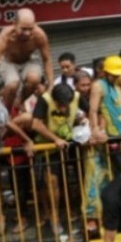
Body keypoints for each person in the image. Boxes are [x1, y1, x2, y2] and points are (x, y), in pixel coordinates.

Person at [31, 83, 88, 233]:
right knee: (52, 182)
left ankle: (81, 211)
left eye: (66, 105)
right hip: (48, 146)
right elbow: (36, 124)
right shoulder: (44, 100)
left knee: (78, 177)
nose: (63, 108)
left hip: (70, 142)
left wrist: (88, 123)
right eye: (60, 105)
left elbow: (92, 111)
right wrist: (55, 139)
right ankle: (54, 216)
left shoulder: (76, 96)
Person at [0, 8, 55, 108]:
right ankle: (6, 110)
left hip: (29, 60)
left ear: (35, 25)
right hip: (9, 62)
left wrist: (51, 85)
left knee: (34, 78)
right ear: (14, 24)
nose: (27, 33)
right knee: (13, 85)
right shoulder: (6, 35)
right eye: (23, 29)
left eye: (30, 29)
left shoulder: (39, 35)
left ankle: (22, 103)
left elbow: (47, 60)